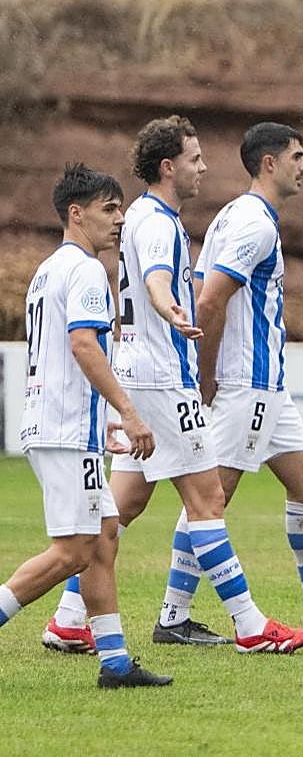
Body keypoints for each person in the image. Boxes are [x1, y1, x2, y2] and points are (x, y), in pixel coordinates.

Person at [42, 117, 303, 654]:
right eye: (194, 159)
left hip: (137, 374)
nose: (203, 168)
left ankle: (69, 619)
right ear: (168, 167)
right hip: (163, 380)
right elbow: (156, 279)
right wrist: (170, 308)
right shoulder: (158, 222)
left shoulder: (141, 218)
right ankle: (249, 625)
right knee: (207, 499)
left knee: (119, 508)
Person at [163, 122, 303, 642]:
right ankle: (173, 616)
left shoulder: (234, 215)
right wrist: (206, 376)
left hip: (268, 386)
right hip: (246, 383)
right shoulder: (253, 225)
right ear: (270, 162)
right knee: (212, 497)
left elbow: (202, 284)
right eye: (297, 156)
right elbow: (208, 301)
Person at [2, 163, 170, 688]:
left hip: (65, 426)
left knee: (103, 538)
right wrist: (130, 412)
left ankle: (115, 664)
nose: (119, 219)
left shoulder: (50, 269)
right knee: (73, 551)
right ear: (76, 214)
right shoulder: (85, 270)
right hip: (64, 431)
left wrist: (103, 422)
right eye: (109, 209)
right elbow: (82, 345)